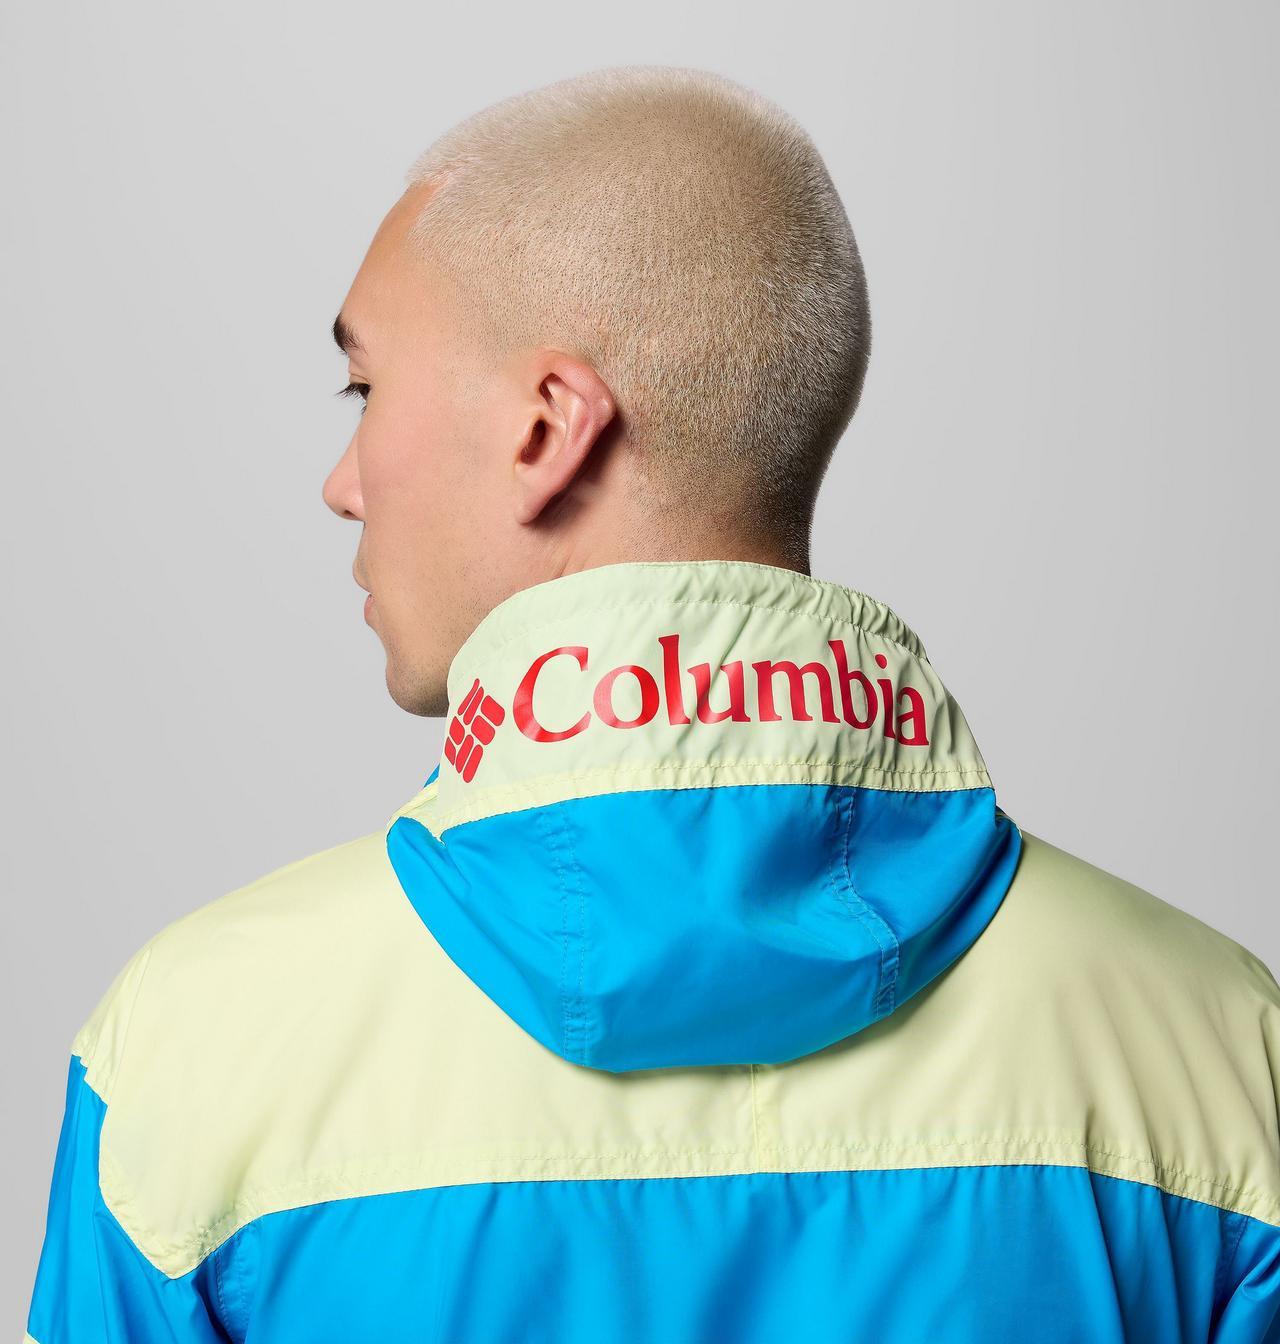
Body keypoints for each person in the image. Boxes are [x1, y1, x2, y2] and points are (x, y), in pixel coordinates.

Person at [21, 64, 1280, 1344]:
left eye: (365, 389)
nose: (341, 484)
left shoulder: (195, 1064)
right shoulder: (1217, 1060)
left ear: (545, 429)